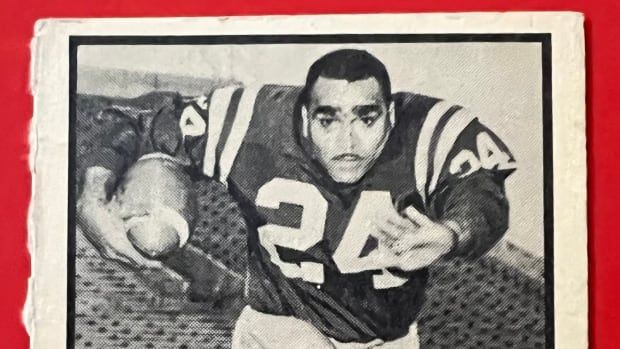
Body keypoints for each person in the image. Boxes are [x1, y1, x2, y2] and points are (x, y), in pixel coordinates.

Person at [77, 49, 516, 348]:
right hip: (279, 325)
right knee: (154, 231)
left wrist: (454, 232)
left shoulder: (427, 132)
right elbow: (138, 120)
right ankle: (216, 281)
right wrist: (94, 196)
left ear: (392, 113)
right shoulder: (254, 122)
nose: (348, 140)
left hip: (386, 335)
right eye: (328, 119)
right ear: (304, 116)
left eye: (366, 118)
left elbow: (481, 191)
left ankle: (216, 282)